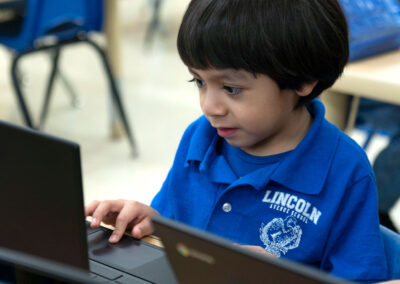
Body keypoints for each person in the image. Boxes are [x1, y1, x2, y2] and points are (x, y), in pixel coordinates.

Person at [86, 0, 389, 282]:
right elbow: (179, 237)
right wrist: (151, 225)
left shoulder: (345, 170)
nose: (209, 106)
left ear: (302, 80)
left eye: (231, 89)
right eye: (200, 82)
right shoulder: (200, 137)